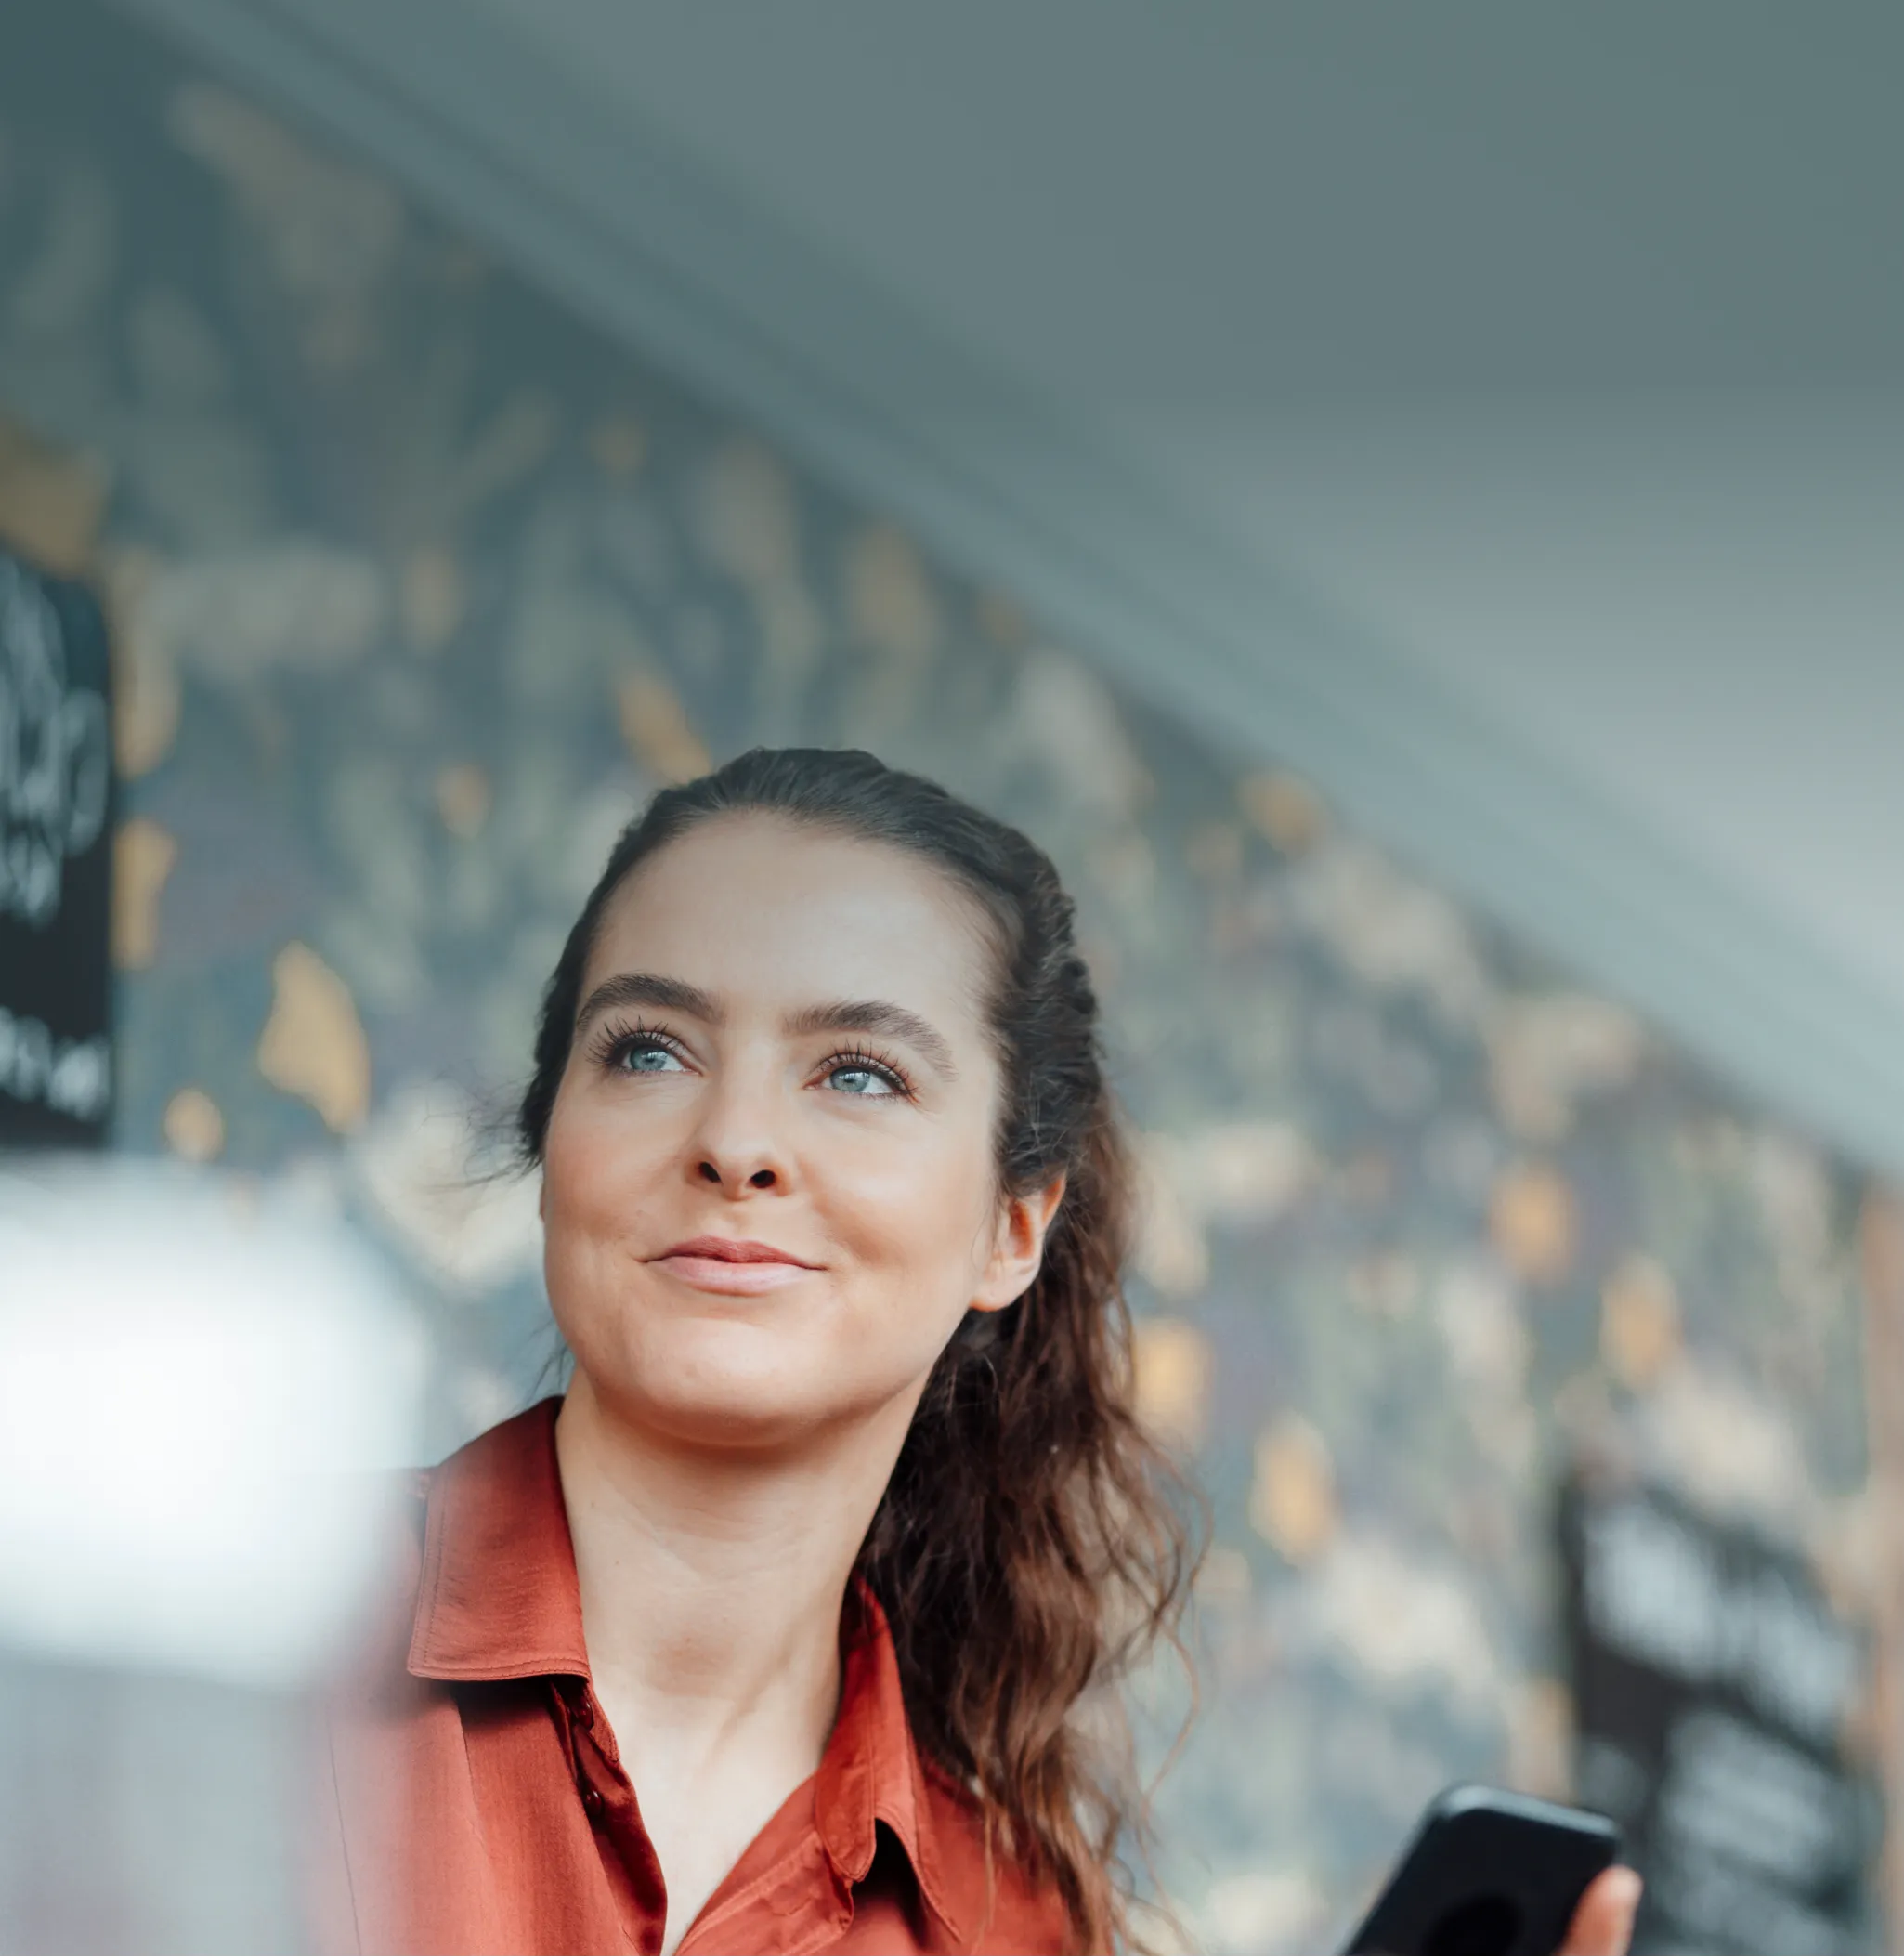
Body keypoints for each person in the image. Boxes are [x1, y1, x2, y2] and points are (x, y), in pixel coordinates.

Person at [310, 748, 1640, 1959]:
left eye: (858, 1073)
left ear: (1012, 1228)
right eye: (650, 1050)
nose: (735, 1142)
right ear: (555, 1142)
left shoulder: (1016, 1933)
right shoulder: (251, 1619)